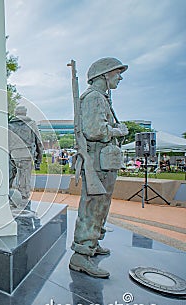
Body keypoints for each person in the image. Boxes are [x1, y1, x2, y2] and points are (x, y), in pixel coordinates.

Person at [70, 57, 129, 278]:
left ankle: (91, 245)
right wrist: (118, 131)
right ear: (104, 75)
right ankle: (81, 255)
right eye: (116, 73)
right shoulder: (94, 98)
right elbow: (95, 130)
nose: (120, 77)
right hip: (97, 160)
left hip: (104, 160)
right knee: (93, 206)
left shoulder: (102, 98)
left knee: (101, 205)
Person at [8, 106, 43, 210]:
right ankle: (23, 203)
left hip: (12, 155)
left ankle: (9, 199)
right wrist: (39, 160)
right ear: (25, 112)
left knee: (9, 179)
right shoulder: (32, 124)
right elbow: (39, 143)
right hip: (26, 155)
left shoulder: (9, 125)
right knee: (24, 180)